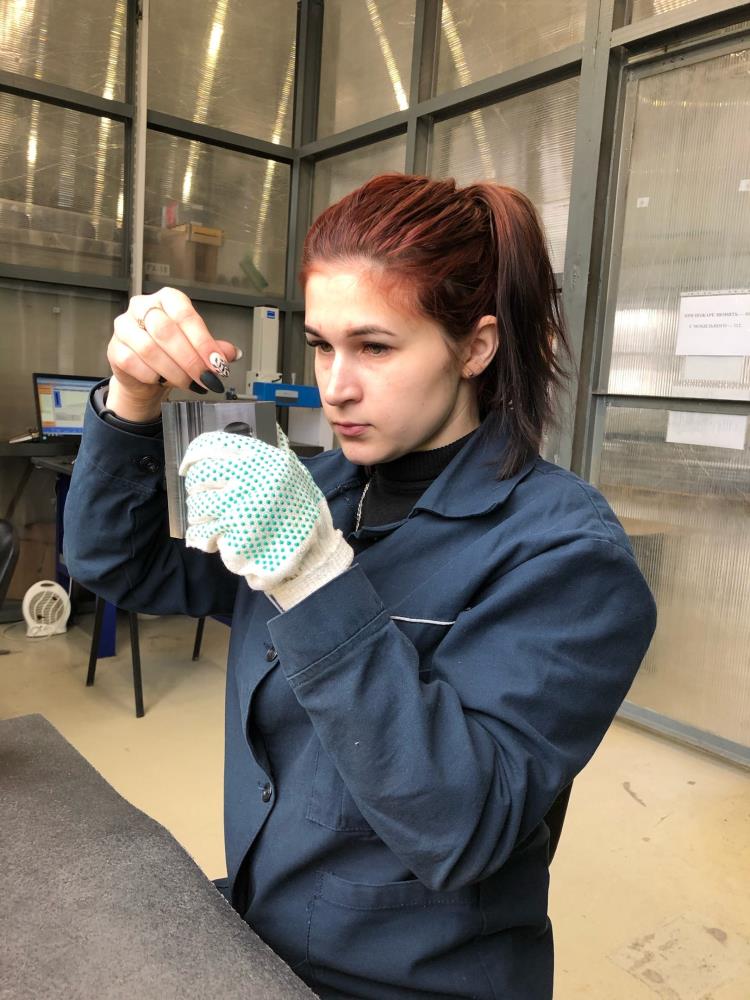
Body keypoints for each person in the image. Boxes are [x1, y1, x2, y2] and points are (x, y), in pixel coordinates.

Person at [64, 173, 657, 999]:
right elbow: (116, 563)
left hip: (416, 979)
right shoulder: (317, 491)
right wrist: (132, 397)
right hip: (265, 933)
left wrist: (314, 578)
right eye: (322, 345)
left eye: (375, 347)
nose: (335, 385)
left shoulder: (564, 555)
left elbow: (461, 824)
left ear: (475, 347)